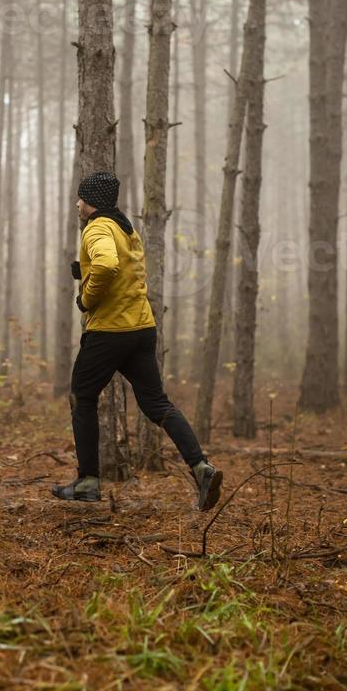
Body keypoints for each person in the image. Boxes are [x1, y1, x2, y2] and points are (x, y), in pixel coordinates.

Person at [51, 170, 223, 511]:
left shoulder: (98, 227)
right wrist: (83, 270)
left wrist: (85, 298)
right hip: (141, 329)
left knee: (81, 397)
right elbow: (120, 268)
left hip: (110, 332)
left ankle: (87, 481)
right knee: (156, 403)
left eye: (81, 197)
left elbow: (106, 265)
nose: (77, 203)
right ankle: (201, 467)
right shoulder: (125, 228)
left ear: (92, 202)